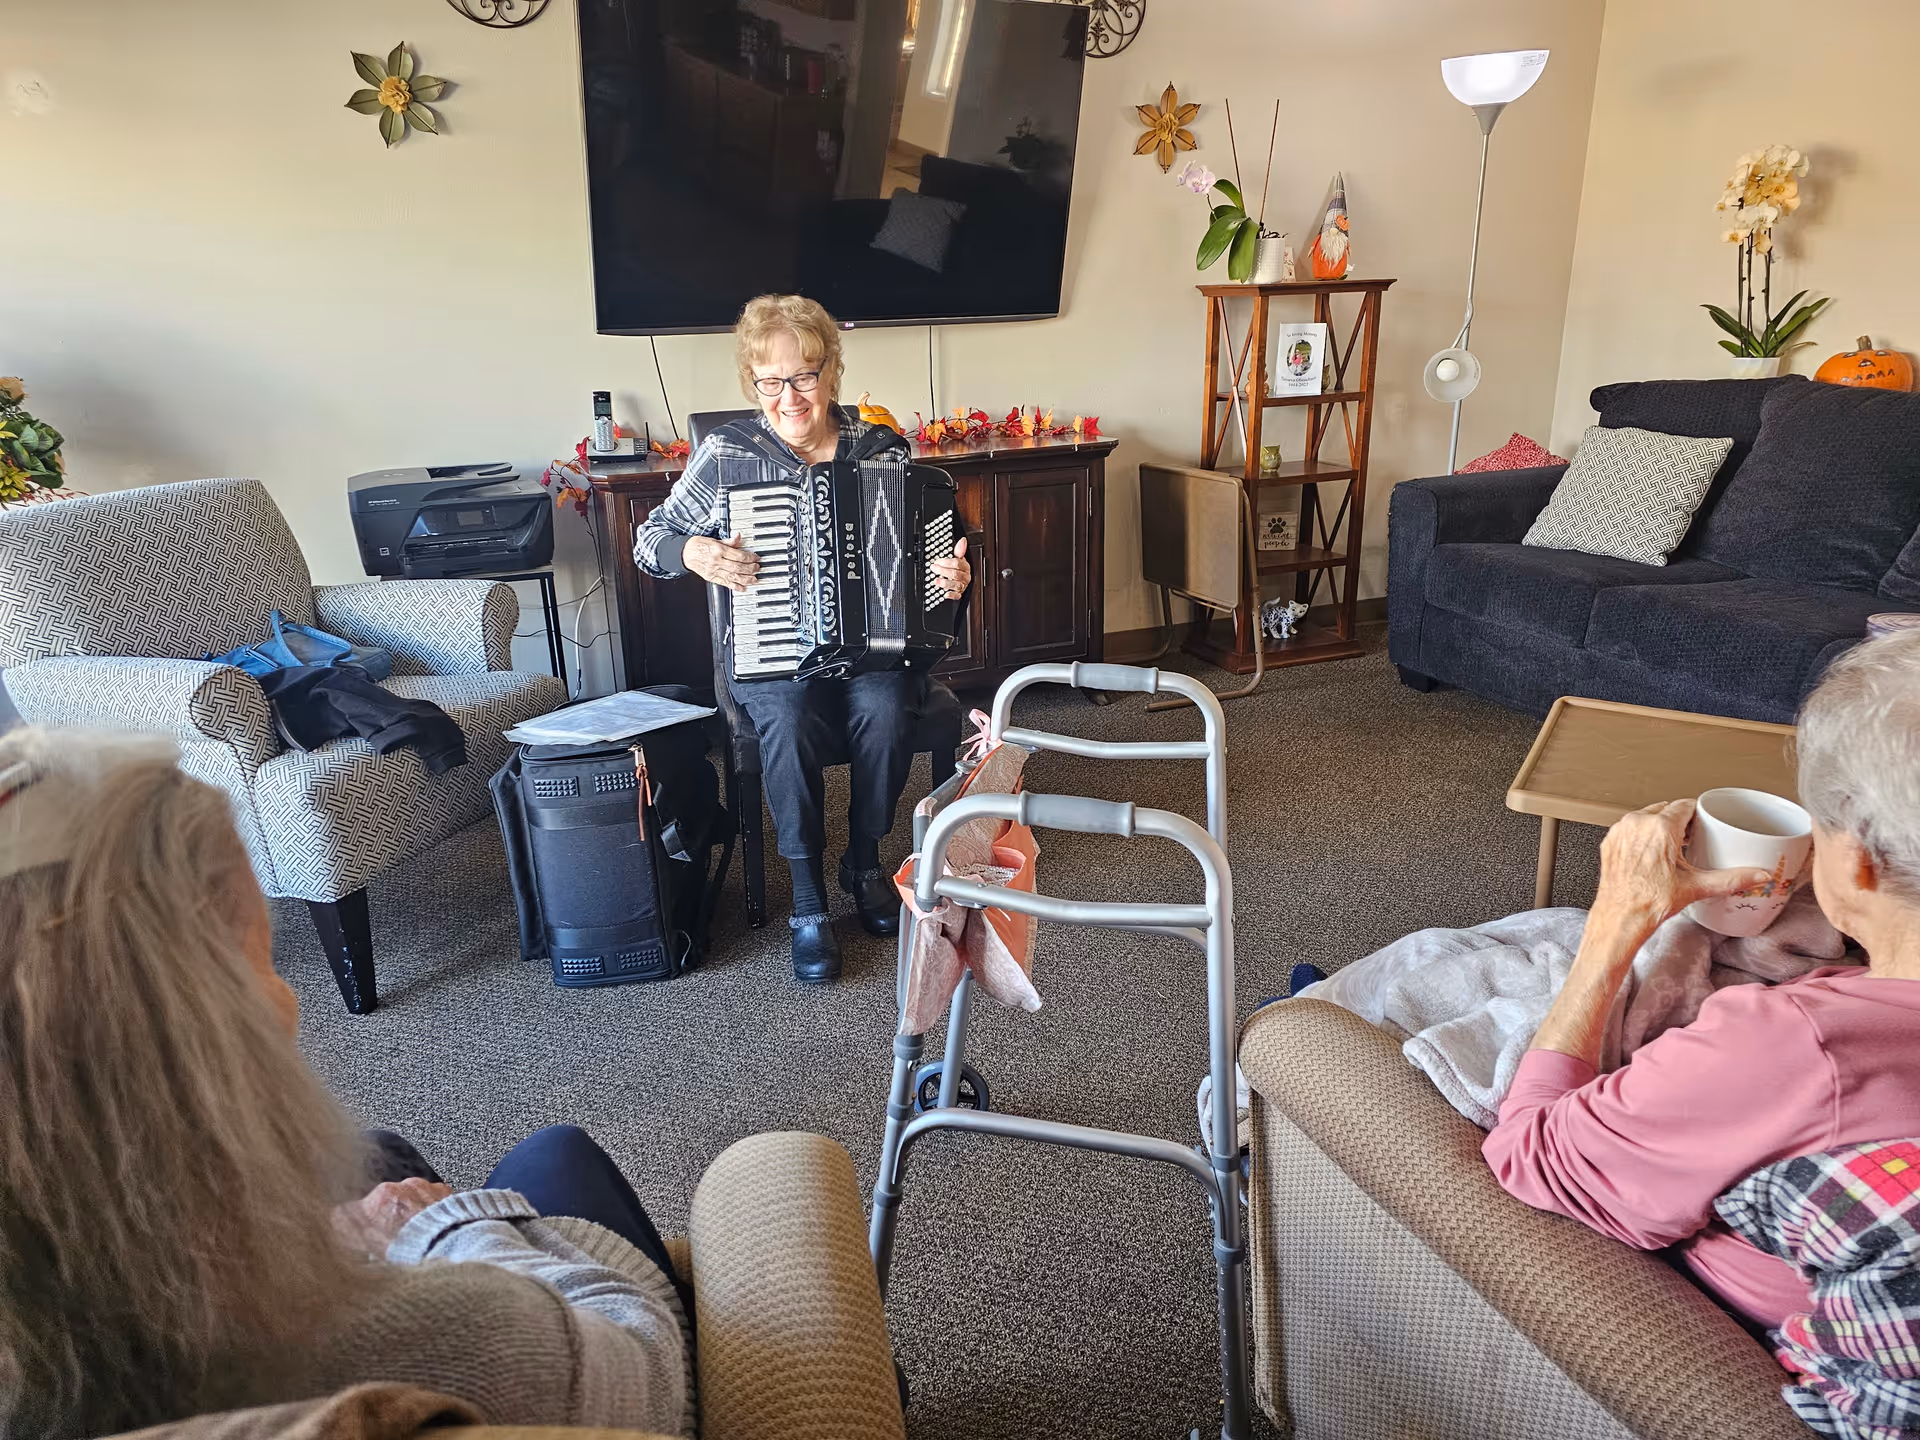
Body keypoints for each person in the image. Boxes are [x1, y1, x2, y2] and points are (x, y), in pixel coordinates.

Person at [0, 727, 692, 1439]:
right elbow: (649, 1377)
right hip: (588, 1354)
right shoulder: (419, 1339)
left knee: (381, 1152)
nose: (291, 1003)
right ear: (196, 1049)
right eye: (263, 961)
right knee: (556, 1154)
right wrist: (451, 1230)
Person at [1483, 630, 1920, 1331]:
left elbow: (1531, 1155)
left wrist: (1615, 919)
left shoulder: (1796, 1046)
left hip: (1715, 1337)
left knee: (1459, 961)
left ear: (1863, 853)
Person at [634, 293, 971, 984]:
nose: (790, 395)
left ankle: (863, 860)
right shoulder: (728, 454)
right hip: (771, 657)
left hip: (869, 653)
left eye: (805, 375)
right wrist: (693, 552)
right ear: (752, 383)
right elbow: (649, 539)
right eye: (771, 380)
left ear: (831, 371)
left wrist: (952, 576)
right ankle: (809, 902)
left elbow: (927, 561)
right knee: (784, 720)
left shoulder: (881, 449)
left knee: (885, 707)